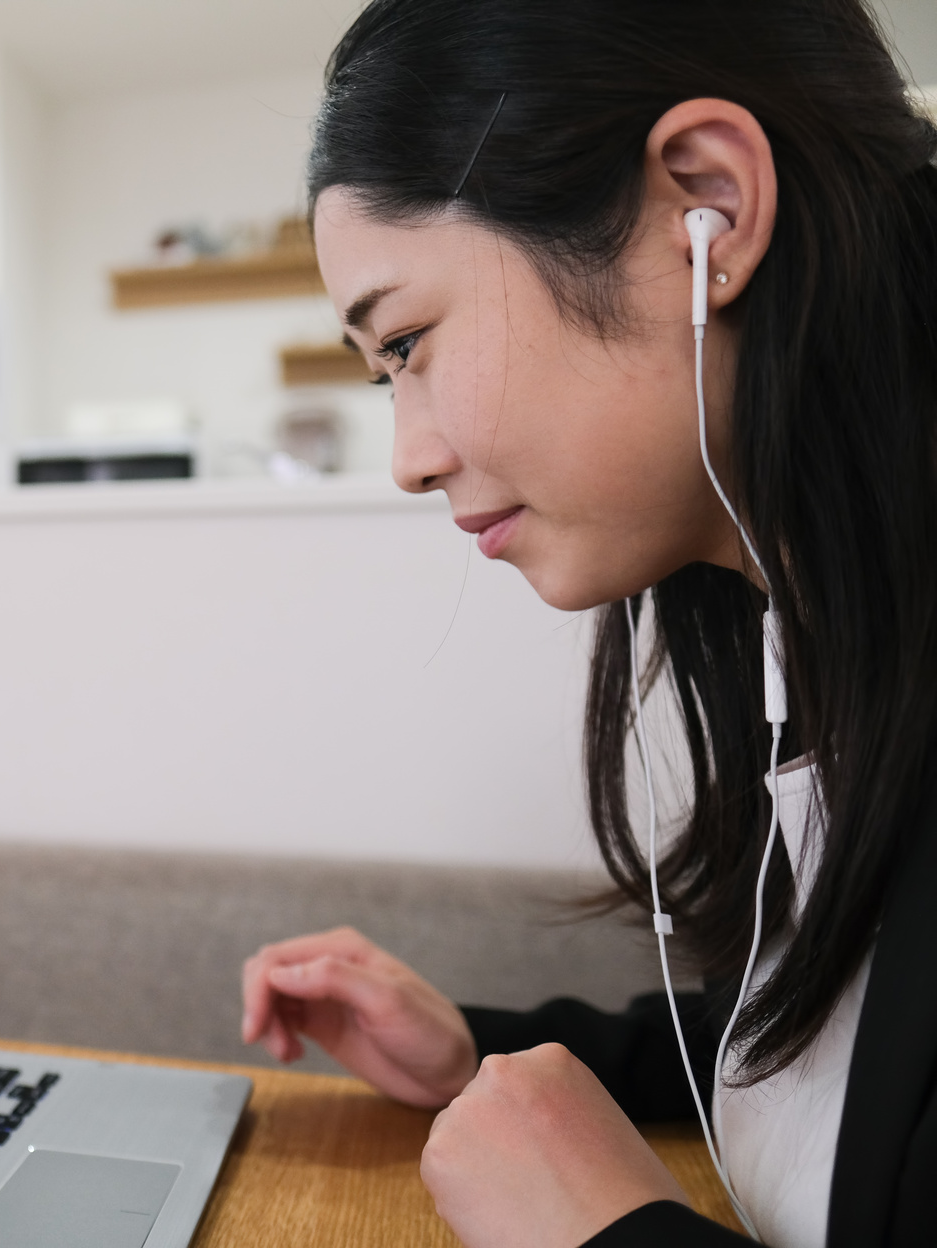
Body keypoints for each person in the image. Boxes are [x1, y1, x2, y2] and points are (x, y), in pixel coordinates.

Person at [238, 2, 937, 1246]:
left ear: (707, 206)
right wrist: (477, 1051)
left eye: (409, 340)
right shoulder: (819, 654)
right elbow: (838, 1048)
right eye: (383, 373)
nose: (409, 458)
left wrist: (607, 1234)